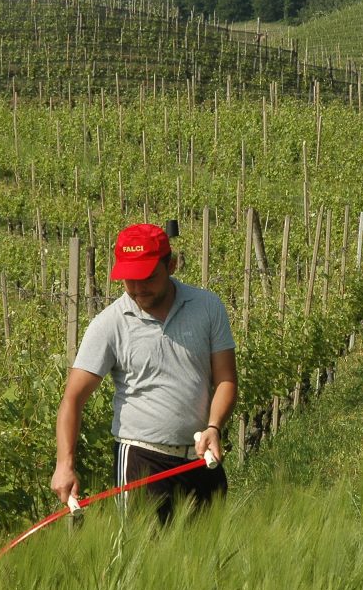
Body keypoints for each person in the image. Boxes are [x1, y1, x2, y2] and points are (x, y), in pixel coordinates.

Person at [50, 223, 237, 522]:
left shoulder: (208, 307)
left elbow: (226, 379)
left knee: (208, 550)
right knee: (146, 549)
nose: (138, 288)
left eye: (148, 277)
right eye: (129, 279)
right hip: (141, 459)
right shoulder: (108, 324)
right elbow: (72, 399)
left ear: (171, 266)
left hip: (201, 460)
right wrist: (64, 465)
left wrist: (214, 427)